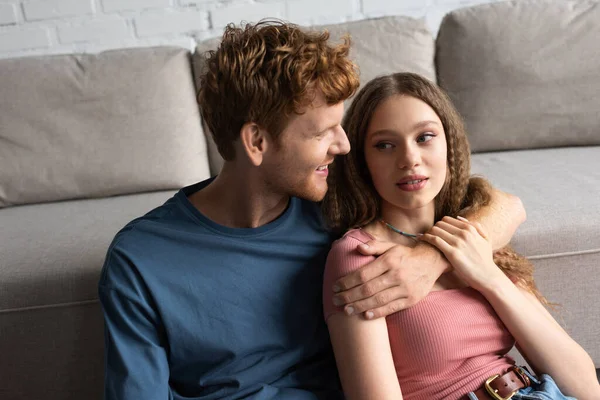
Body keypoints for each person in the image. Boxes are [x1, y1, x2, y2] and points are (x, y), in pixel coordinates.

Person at [98, 21, 527, 400]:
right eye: (323, 132)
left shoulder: (334, 204)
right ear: (257, 142)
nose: (342, 146)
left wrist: (430, 259)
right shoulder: (141, 260)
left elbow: (505, 206)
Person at [321, 72, 600, 400]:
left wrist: (488, 278)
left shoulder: (470, 230)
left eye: (425, 137)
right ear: (362, 162)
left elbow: (586, 388)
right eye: (385, 145)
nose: (410, 159)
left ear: (448, 145)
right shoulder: (359, 255)